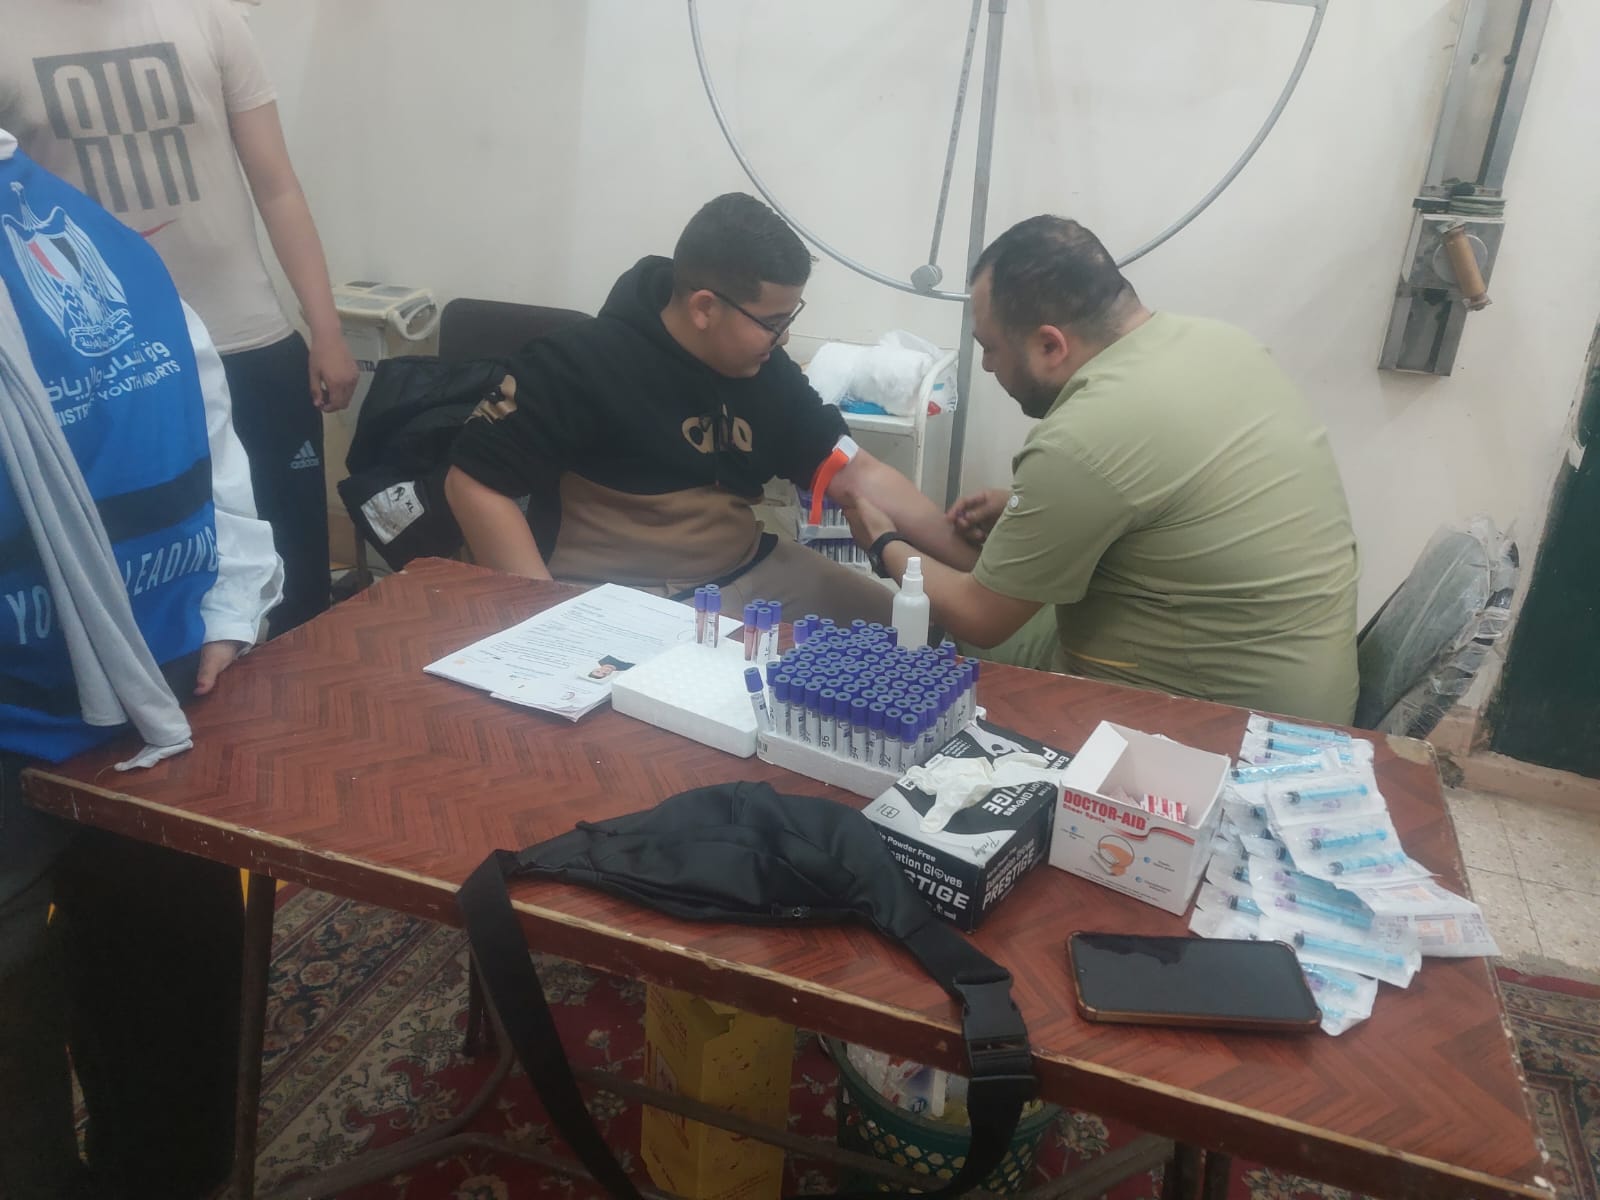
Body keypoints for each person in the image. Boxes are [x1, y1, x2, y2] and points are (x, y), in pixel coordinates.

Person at [0, 129, 282, 1199]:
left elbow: (203, 426)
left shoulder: (92, 234)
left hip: (152, 700)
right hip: (58, 708)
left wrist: (228, 594)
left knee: (171, 974)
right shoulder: (95, 228)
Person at [843, 216, 1360, 724]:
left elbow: (981, 617)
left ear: (1050, 345)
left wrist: (884, 545)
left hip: (1224, 722)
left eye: (991, 348)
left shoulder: (1080, 440)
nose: (987, 367)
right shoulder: (1223, 344)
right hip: (1309, 688)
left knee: (954, 644)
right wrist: (1036, 509)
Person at [0, 0, 357, 636]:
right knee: (154, 588)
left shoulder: (211, 15)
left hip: (247, 336)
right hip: (111, 368)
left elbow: (276, 185)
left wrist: (326, 329)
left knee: (298, 585)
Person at [445, 192, 968, 625]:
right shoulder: (578, 363)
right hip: (617, 589)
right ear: (704, 308)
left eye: (789, 318)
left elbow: (856, 471)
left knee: (913, 637)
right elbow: (473, 482)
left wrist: (978, 561)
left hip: (745, 568)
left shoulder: (767, 371)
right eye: (772, 322)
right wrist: (541, 618)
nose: (784, 338)